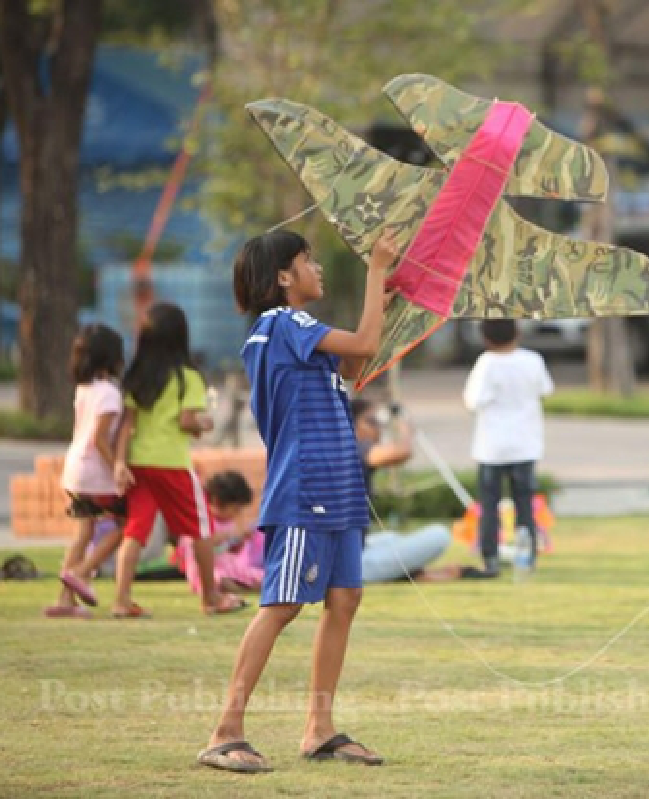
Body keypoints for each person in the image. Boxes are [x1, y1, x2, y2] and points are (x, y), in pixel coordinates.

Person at [197, 228, 396, 775]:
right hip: (308, 490)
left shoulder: (294, 336)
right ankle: (225, 731)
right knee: (282, 606)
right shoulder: (286, 323)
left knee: (345, 600)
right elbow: (364, 346)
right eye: (309, 260)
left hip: (337, 491)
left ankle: (319, 729)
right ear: (284, 276)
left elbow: (355, 367)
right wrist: (376, 271)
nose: (318, 269)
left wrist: (385, 298)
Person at [112, 302, 245, 619]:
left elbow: (127, 425)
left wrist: (119, 463)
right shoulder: (189, 379)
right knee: (201, 529)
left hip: (138, 464)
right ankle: (211, 597)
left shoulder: (137, 378)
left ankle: (121, 600)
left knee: (135, 531)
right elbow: (187, 421)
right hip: (171, 464)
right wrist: (205, 424)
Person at [350, 396, 491, 582]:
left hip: (357, 552)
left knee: (390, 538)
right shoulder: (357, 447)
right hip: (356, 565)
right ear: (354, 425)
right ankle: (413, 574)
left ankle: (414, 574)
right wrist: (404, 426)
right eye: (372, 421)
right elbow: (402, 452)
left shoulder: (346, 448)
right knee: (439, 535)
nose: (378, 428)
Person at [47, 323, 128, 618]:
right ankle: (81, 572)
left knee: (83, 533)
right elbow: (100, 439)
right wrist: (118, 467)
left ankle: (65, 599)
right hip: (95, 474)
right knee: (126, 526)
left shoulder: (85, 388)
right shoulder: (109, 393)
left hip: (74, 470)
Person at [462, 319, 554, 576]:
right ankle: (528, 555)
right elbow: (546, 388)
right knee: (524, 503)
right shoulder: (533, 360)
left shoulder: (487, 363)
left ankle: (490, 557)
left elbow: (472, 400)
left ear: (485, 338)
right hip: (526, 443)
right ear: (517, 333)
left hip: (492, 446)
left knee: (489, 504)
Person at [173, 470, 264, 596]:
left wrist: (239, 543)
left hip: (228, 566)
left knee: (259, 576)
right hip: (205, 573)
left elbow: (227, 549)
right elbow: (203, 542)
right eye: (236, 509)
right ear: (217, 502)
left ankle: (250, 586)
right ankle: (240, 588)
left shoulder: (227, 522)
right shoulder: (201, 519)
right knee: (220, 579)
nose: (237, 513)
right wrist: (232, 535)